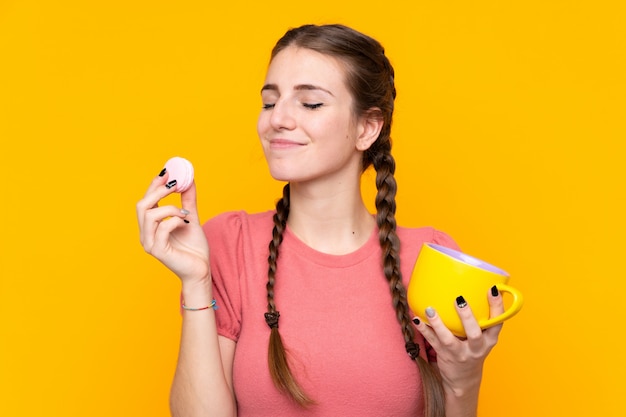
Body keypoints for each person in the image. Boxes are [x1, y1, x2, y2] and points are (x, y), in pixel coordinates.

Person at [136, 23, 504, 417]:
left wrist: (465, 380)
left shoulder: (432, 259)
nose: (277, 119)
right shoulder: (229, 243)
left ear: (367, 128)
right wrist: (196, 283)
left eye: (310, 104)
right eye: (269, 102)